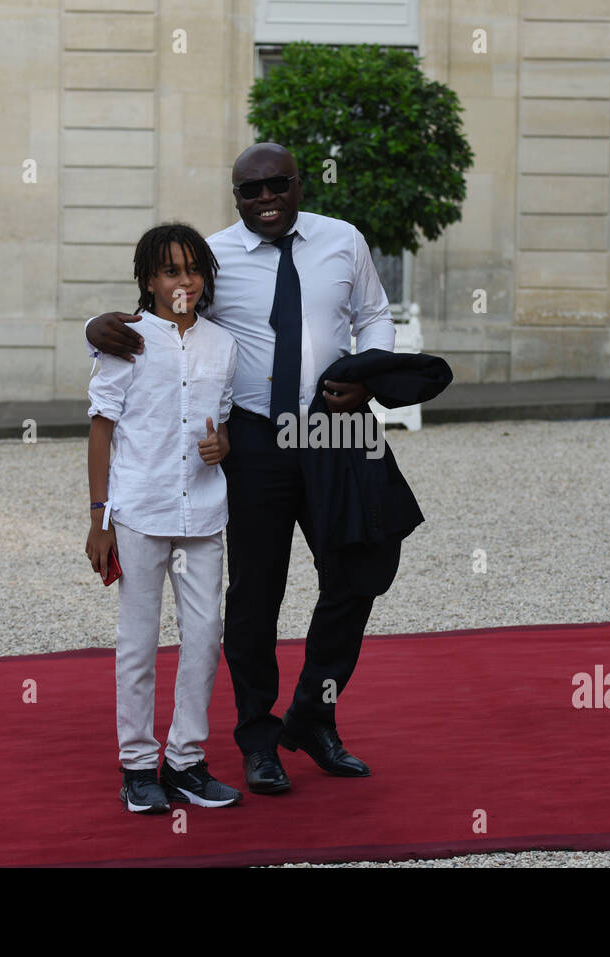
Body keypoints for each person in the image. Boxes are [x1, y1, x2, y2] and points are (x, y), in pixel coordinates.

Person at [85, 143, 396, 795]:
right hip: (253, 439)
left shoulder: (344, 242)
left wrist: (369, 377)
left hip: (335, 430)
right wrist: (94, 325)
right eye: (249, 191)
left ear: (298, 184)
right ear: (236, 197)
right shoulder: (214, 255)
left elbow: (374, 316)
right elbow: (155, 317)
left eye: (276, 185)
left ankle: (314, 712)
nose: (264, 199)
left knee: (358, 568)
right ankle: (258, 737)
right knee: (256, 595)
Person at [85, 222, 242, 813]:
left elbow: (219, 423)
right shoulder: (126, 340)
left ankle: (185, 762)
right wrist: (99, 519)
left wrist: (220, 447)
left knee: (204, 637)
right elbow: (101, 431)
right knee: (138, 641)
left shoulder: (223, 346)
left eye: (193, 269)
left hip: (203, 513)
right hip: (139, 510)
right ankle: (135, 766)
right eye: (171, 270)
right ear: (148, 280)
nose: (185, 281)